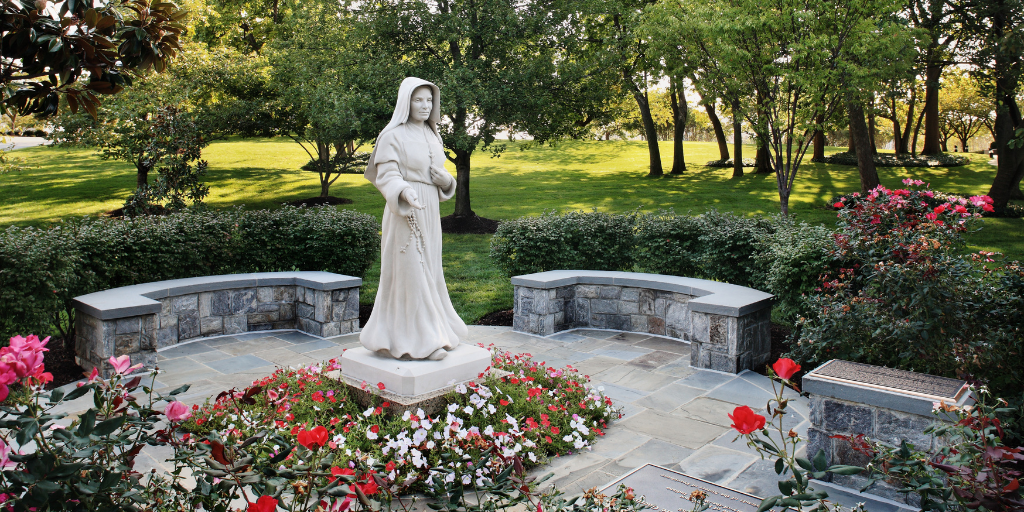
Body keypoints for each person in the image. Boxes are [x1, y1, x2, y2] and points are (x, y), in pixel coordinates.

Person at [360, 77, 468, 361]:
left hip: (430, 208)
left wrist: (447, 181)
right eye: (418, 100)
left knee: (429, 270)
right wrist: (404, 191)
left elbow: (440, 174)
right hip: (404, 211)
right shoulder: (393, 136)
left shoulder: (433, 135)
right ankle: (421, 342)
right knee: (410, 273)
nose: (424, 105)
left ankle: (435, 331)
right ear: (405, 102)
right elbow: (386, 175)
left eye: (429, 100)